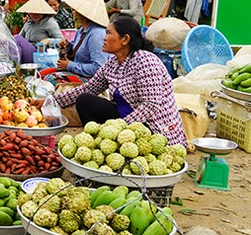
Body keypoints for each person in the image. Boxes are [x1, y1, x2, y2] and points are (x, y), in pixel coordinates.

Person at [54, 16, 187, 146]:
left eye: (108, 33)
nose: (104, 38)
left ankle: (110, 141)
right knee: (85, 100)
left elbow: (150, 106)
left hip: (152, 126)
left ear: (125, 39)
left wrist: (119, 129)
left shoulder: (146, 62)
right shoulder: (113, 63)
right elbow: (88, 88)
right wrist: (53, 102)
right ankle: (97, 142)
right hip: (123, 118)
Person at [40, 0, 111, 85]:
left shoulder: (96, 34)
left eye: (75, 11)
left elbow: (98, 68)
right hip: (78, 71)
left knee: (51, 79)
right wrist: (68, 45)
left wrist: (69, 65)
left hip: (91, 80)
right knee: (42, 74)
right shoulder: (82, 30)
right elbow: (77, 49)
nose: (73, 13)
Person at [12, 0, 63, 64]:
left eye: (38, 13)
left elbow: (61, 40)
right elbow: (18, 39)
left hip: (39, 54)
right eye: (32, 12)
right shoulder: (28, 23)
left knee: (16, 38)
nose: (35, 15)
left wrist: (48, 41)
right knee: (9, 41)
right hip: (27, 53)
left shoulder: (49, 22)